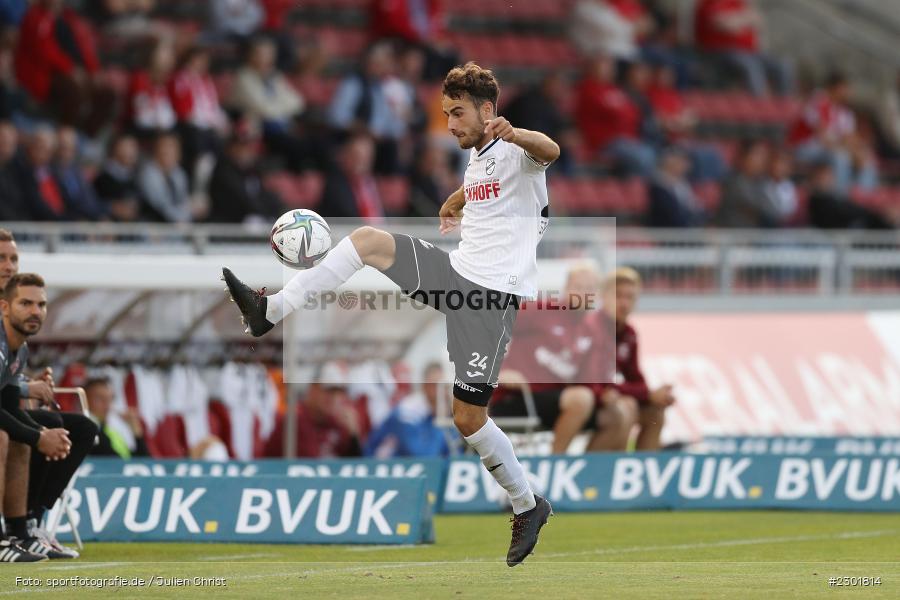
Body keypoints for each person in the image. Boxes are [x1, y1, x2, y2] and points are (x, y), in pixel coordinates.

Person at [223, 62, 557, 567]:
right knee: (367, 241)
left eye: (458, 113)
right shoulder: (479, 156)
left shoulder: (515, 146)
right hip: (458, 273)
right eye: (446, 114)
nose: (449, 124)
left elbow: (551, 152)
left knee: (467, 417)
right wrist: (460, 197)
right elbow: (492, 186)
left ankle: (527, 503)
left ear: (488, 110)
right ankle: (271, 309)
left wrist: (521, 132)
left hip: (491, 297)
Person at [0, 232, 96, 559]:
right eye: (2, 258)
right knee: (11, 434)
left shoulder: (17, 342)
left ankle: (27, 524)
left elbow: (5, 391)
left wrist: (37, 429)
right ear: (7, 306)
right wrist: (36, 432)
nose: (9, 265)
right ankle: (11, 530)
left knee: (77, 428)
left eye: (13, 258)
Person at [492, 264, 636, 453]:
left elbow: (589, 382)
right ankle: (556, 463)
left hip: (556, 402)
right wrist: (498, 372)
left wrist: (605, 395)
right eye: (578, 287)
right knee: (581, 399)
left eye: (590, 288)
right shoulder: (541, 310)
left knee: (617, 415)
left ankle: (583, 473)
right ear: (567, 288)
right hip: (514, 398)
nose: (583, 293)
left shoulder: (591, 331)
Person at [592, 267, 674, 450]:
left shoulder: (629, 333)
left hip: (611, 398)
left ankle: (643, 471)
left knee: (655, 412)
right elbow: (596, 382)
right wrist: (647, 394)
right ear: (603, 297)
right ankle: (602, 469)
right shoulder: (592, 327)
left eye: (630, 297)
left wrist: (654, 396)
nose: (624, 303)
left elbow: (637, 379)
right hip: (591, 398)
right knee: (626, 406)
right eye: (618, 296)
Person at [14, 0, 115, 134]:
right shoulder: (35, 16)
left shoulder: (70, 17)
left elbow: (84, 46)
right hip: (44, 73)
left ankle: (87, 135)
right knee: (73, 91)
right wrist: (70, 69)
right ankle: (65, 133)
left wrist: (93, 70)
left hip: (75, 70)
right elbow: (43, 50)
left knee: (107, 93)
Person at [229, 36, 310, 171]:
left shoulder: (274, 76)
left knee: (317, 144)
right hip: (260, 131)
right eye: (262, 54)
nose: (267, 58)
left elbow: (298, 102)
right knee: (297, 147)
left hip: (283, 128)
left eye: (270, 54)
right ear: (251, 55)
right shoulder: (243, 77)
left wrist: (275, 105)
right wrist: (280, 105)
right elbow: (264, 110)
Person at [789, 72, 878, 193]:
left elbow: (850, 138)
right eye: (844, 88)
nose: (848, 92)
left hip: (826, 149)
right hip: (803, 146)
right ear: (835, 88)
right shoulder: (817, 100)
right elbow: (822, 136)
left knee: (866, 157)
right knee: (840, 157)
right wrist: (849, 150)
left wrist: (859, 151)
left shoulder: (843, 111)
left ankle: (863, 198)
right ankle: (841, 197)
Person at [694, 0, 793, 97]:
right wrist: (745, 19)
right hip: (718, 53)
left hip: (749, 52)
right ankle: (759, 108)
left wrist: (739, 20)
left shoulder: (738, 2)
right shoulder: (709, 2)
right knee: (750, 66)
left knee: (783, 65)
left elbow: (758, 21)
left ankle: (784, 107)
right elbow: (724, 25)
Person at [264, 362, 362, 458]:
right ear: (312, 389)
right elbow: (311, 463)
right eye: (329, 391)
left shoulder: (336, 422)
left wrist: (353, 436)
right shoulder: (295, 419)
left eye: (339, 392)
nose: (334, 398)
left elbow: (355, 465)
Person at [364, 362, 451, 458]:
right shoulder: (409, 411)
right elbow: (420, 456)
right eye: (435, 386)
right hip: (382, 465)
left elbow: (454, 452)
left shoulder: (441, 409)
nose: (442, 392)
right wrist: (439, 421)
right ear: (424, 387)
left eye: (445, 387)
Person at [207, 119, 283, 224]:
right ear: (232, 146)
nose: (249, 150)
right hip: (226, 227)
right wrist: (264, 214)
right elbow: (243, 201)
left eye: (251, 145)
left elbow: (268, 198)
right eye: (243, 145)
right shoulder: (223, 170)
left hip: (248, 224)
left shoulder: (252, 171)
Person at [716, 139, 782, 227]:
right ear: (743, 157)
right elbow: (762, 209)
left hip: (753, 235)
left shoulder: (762, 182)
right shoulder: (735, 182)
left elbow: (775, 211)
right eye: (757, 155)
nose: (762, 161)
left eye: (764, 156)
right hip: (733, 234)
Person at [318, 132, 384, 220]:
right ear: (344, 156)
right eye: (357, 156)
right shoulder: (334, 186)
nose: (362, 162)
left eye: (367, 157)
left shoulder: (372, 183)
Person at [85, 377, 149, 458]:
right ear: (85, 400)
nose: (106, 405)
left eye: (109, 399)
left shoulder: (111, 431)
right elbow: (114, 461)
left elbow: (142, 462)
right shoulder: (87, 432)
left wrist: (136, 432)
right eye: (100, 398)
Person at [136, 132, 192, 222]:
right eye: (164, 147)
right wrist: (182, 219)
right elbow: (161, 206)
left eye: (172, 147)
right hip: (152, 225)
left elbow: (183, 202)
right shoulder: (147, 173)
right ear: (156, 149)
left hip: (177, 225)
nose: (168, 151)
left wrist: (188, 215)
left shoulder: (179, 173)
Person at [53, 127, 106, 221]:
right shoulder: (51, 171)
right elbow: (63, 206)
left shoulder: (76, 171)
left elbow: (90, 200)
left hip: (87, 221)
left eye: (71, 148)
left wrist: (101, 217)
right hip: (71, 223)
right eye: (64, 147)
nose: (67, 152)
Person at [647, 147, 704, 227]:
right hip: (666, 230)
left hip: (687, 228)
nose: (685, 165)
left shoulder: (684, 184)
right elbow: (670, 212)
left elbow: (696, 209)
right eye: (680, 161)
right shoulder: (658, 184)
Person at [93, 134, 142, 222]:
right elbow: (92, 204)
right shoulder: (102, 178)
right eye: (126, 147)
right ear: (114, 149)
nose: (131, 152)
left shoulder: (135, 177)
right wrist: (111, 207)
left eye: (133, 147)